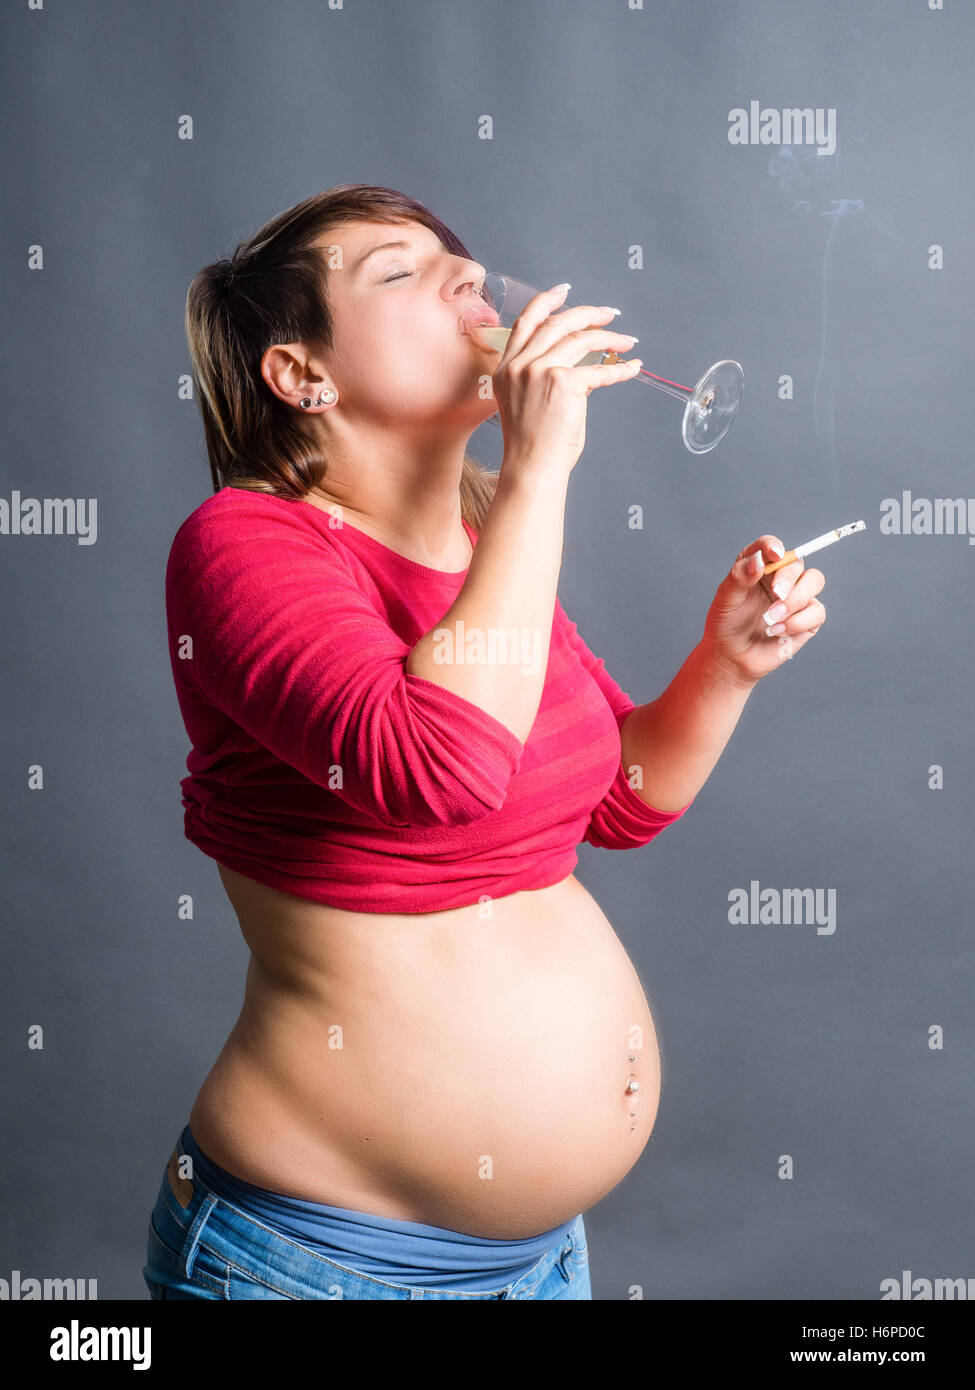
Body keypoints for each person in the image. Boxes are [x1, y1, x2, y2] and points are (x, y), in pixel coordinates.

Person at [143, 183, 826, 1301]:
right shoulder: (241, 544)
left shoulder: (478, 545)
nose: (465, 276)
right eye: (399, 272)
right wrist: (540, 470)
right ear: (299, 374)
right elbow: (437, 771)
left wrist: (727, 663)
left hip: (541, 1262)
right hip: (326, 1265)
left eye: (458, 258)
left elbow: (620, 800)